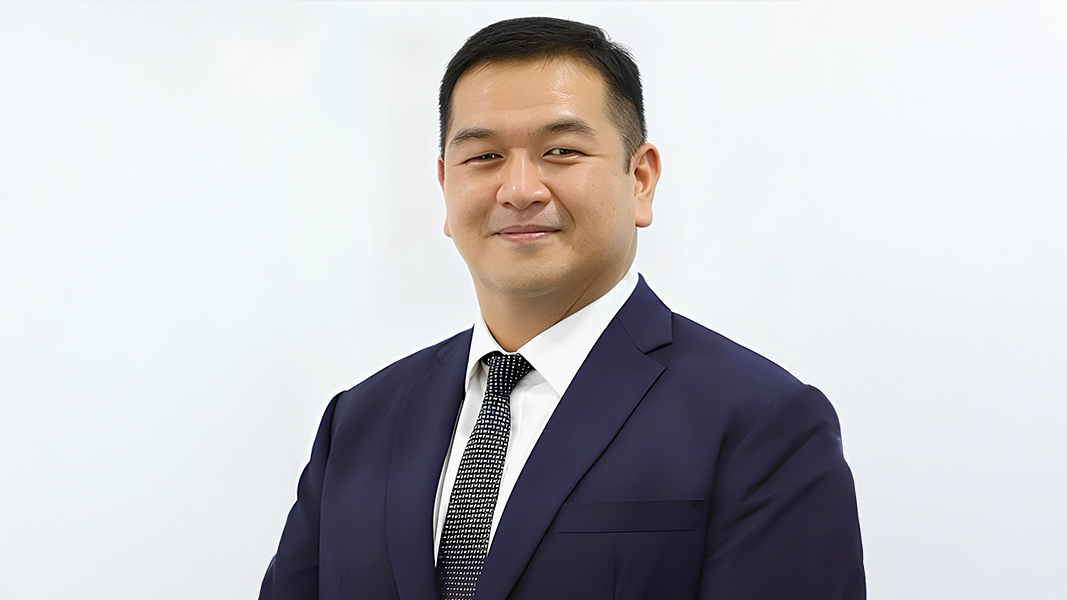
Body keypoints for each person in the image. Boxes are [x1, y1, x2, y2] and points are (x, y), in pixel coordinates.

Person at [260, 16, 865, 600]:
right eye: (484, 157)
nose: (520, 190)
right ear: (445, 187)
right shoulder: (358, 424)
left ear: (640, 179)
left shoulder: (764, 425)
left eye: (561, 151)